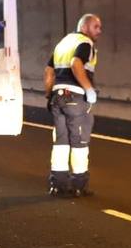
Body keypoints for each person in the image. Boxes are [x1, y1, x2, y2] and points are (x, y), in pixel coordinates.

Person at [44, 13, 102, 196]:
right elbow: (76, 63)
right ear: (84, 27)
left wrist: (49, 95)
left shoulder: (62, 44)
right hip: (76, 98)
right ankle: (78, 185)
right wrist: (89, 90)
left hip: (58, 97)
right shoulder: (85, 43)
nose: (99, 31)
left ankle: (58, 184)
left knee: (60, 141)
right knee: (80, 141)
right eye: (96, 26)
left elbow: (49, 72)